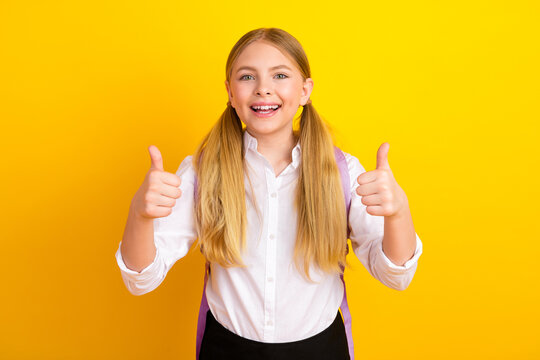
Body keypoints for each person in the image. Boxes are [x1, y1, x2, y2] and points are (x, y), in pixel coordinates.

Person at [115, 27, 423, 360]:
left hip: (320, 349)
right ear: (230, 92)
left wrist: (398, 214)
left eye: (280, 75)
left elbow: (397, 275)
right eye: (247, 77)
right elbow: (140, 279)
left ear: (305, 90)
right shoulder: (202, 171)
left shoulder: (343, 173)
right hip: (227, 348)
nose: (263, 89)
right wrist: (140, 215)